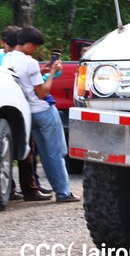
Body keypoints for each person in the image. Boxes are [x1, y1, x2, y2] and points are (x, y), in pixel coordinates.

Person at [4, 26, 79, 203]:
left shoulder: (8, 58)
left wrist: (43, 72)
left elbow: (26, 81)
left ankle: (60, 190)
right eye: (35, 46)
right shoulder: (29, 62)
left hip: (28, 113)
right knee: (56, 152)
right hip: (44, 111)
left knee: (45, 154)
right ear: (29, 44)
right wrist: (52, 72)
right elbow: (43, 93)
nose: (36, 50)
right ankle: (63, 193)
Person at [0, 25, 51, 202]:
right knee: (26, 150)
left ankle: (15, 188)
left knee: (16, 149)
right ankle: (28, 188)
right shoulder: (14, 59)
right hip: (19, 107)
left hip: (13, 106)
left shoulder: (7, 58)